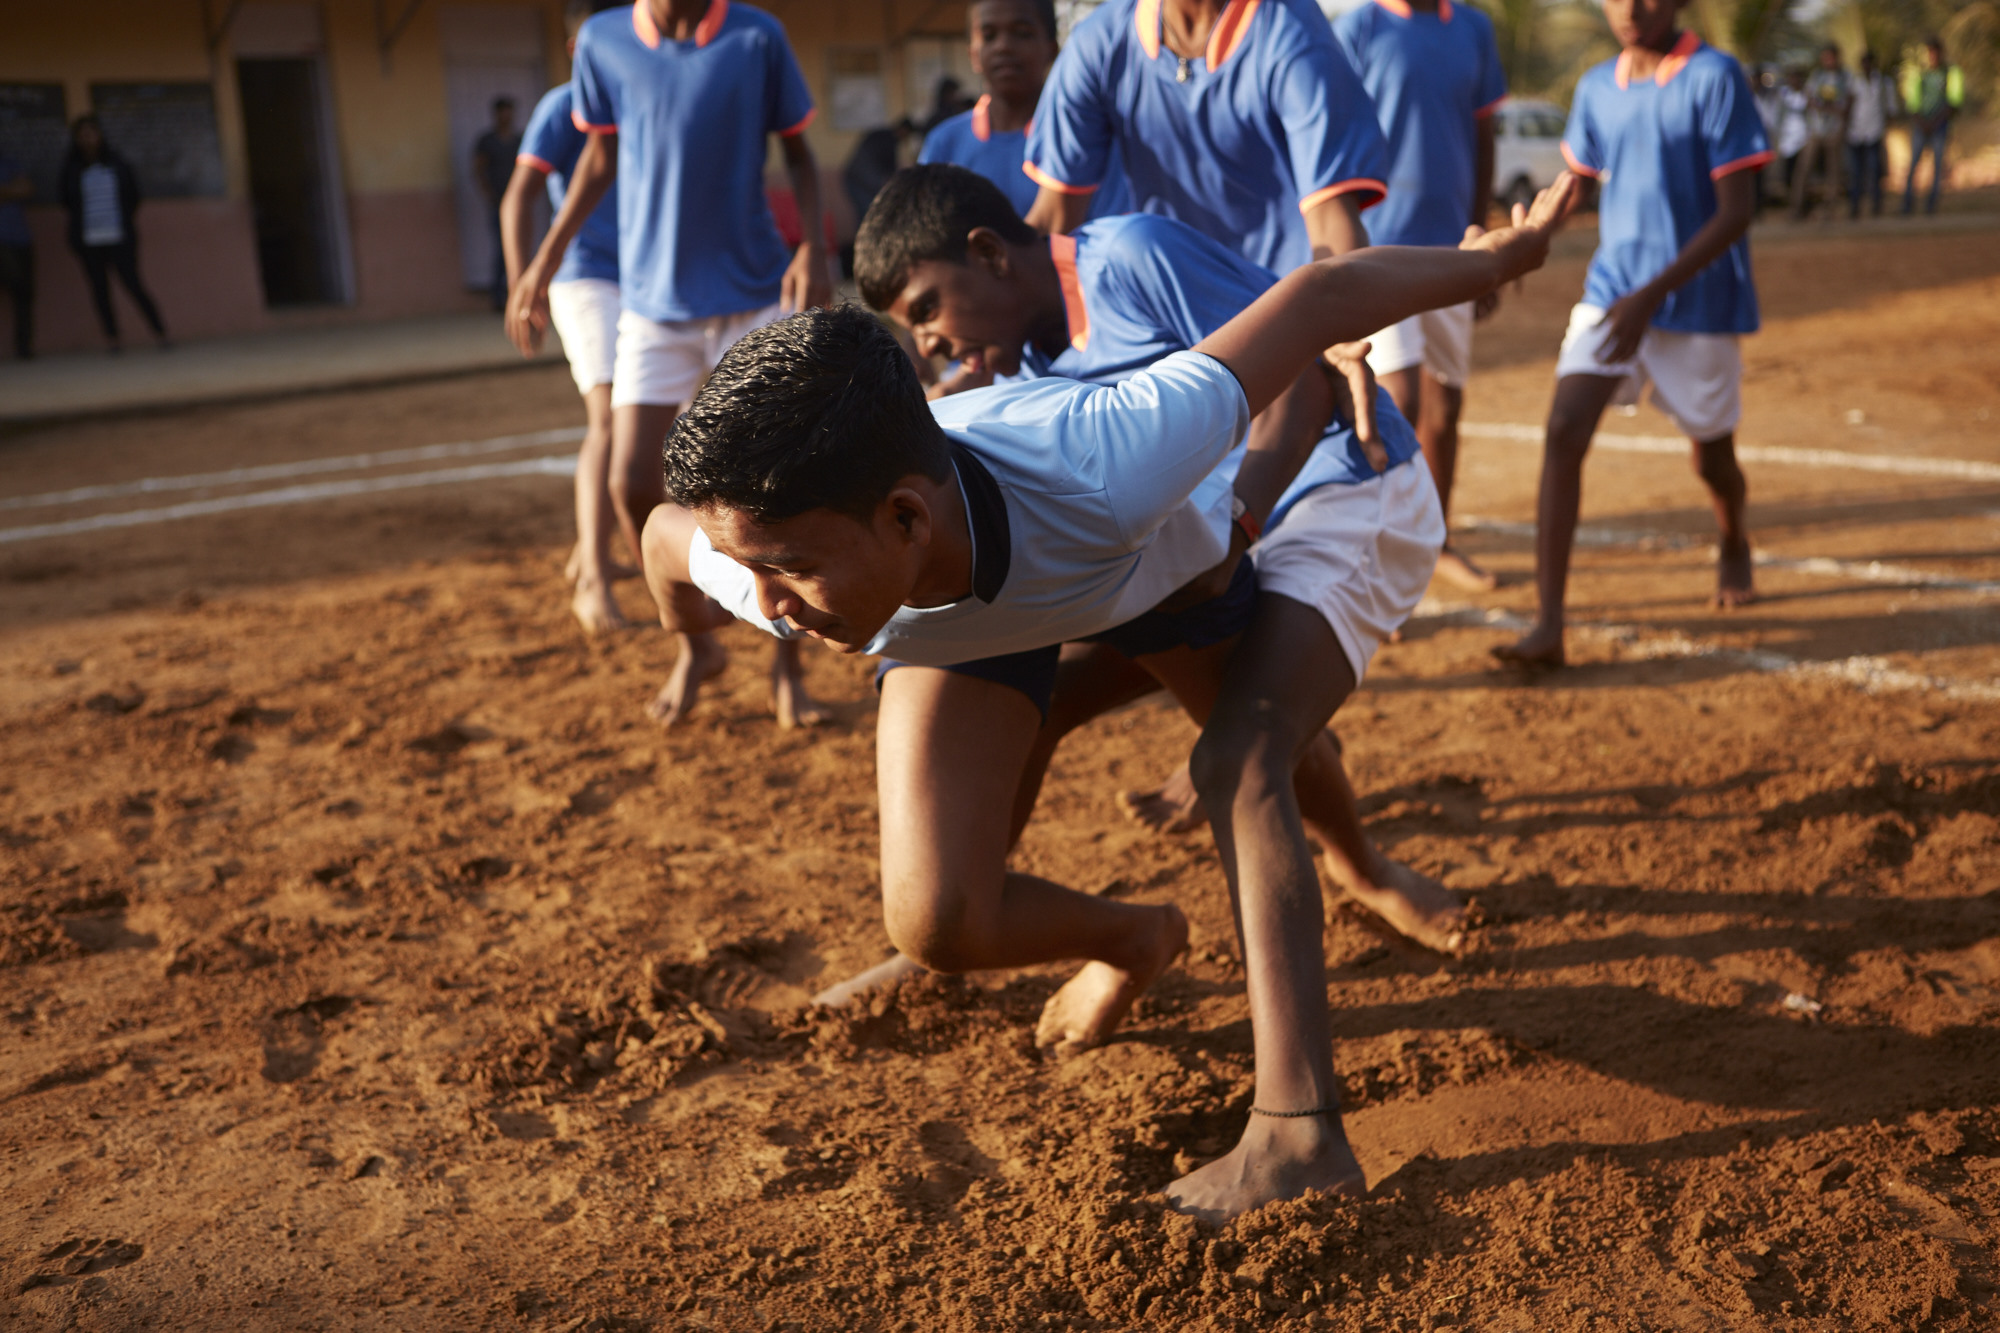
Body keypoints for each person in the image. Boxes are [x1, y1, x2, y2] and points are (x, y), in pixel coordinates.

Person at [638, 179, 1578, 1219]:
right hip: (975, 604)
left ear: (902, 518)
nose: (763, 603)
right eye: (747, 573)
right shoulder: (766, 564)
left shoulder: (1107, 456)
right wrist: (692, 643)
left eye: (785, 572)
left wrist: (1503, 261)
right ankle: (1135, 936)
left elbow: (1313, 302)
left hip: (1168, 577)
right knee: (939, 921)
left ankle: (1297, 1131)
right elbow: (662, 543)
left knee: (1241, 756)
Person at [852, 160, 1468, 954]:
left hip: (1323, 484)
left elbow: (1305, 378)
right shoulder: (1021, 362)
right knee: (1050, 691)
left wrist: (1237, 526)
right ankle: (968, 905)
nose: (930, 341)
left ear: (991, 254)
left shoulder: (1130, 259)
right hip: (1199, 542)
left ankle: (1364, 868)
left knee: (1245, 729)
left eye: (927, 308)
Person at [507, 0, 834, 729]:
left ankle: (787, 665)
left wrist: (814, 245)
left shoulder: (756, 36)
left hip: (752, 294)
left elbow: (801, 151)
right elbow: (600, 155)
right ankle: (696, 642)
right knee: (630, 481)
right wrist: (549, 253)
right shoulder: (604, 39)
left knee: (777, 486)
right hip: (653, 303)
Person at [1494, 0, 1770, 669]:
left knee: (1713, 459)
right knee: (1563, 431)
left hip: (1696, 301)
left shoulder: (1713, 77)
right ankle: (1549, 626)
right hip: (1614, 291)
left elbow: (1739, 211)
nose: (1629, 8)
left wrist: (1655, 295)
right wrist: (1526, 239)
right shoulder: (1595, 88)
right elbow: (1577, 184)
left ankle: (1733, 539)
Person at [1334, 0, 1508, 592]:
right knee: (1397, 400)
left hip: (1453, 246)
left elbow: (1482, 134)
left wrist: (1478, 234)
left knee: (1445, 407)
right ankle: (1375, 554)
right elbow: (1331, 132)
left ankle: (1438, 541)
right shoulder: (1360, 28)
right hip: (1380, 245)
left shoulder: (1472, 27)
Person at [1021, 0, 1388, 274]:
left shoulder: (1292, 34)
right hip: (1160, 302)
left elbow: (1331, 223)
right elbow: (1055, 216)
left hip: (1283, 302)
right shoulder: (1097, 42)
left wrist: (1332, 339)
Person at [916, 0, 1129, 396]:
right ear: (972, 53)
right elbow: (935, 263)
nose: (1004, 47)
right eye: (989, 35)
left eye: (1022, 33)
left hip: (1090, 345)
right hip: (992, 363)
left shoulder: (1086, 134)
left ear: (1051, 48)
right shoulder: (945, 143)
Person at [503, 1, 627, 636]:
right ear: (579, 45)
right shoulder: (561, 105)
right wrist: (525, 280)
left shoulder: (642, 99)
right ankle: (594, 580)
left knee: (653, 423)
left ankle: (588, 545)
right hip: (584, 276)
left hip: (648, 281)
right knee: (607, 421)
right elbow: (518, 195)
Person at [58, 115, 168, 353]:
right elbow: (66, 201)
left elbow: (133, 197)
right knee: (100, 291)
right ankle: (113, 338)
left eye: (92, 132)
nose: (88, 139)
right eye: (82, 134)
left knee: (133, 285)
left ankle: (161, 332)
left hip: (119, 237)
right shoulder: (72, 169)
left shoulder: (117, 165)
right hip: (89, 240)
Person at [1901, 37, 1963, 216]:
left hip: (1940, 126)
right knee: (1913, 164)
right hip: (1921, 125)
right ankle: (1907, 203)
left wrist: (1936, 122)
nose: (1932, 56)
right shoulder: (1920, 74)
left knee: (1937, 165)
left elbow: (1954, 101)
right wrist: (1922, 122)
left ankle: (1931, 205)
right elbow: (1912, 102)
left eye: (1935, 52)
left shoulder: (1951, 72)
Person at [472, 97, 522, 311]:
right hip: (498, 204)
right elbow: (478, 169)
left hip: (519, 204)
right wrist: (489, 194)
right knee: (502, 250)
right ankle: (499, 297)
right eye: (502, 112)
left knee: (521, 247)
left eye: (509, 111)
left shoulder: (519, 140)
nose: (506, 116)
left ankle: (520, 294)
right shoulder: (487, 141)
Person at [1791, 44, 1847, 219]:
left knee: (1833, 171)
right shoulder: (1817, 76)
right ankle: (1797, 208)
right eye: (1825, 57)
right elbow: (1809, 98)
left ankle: (1830, 210)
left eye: (1831, 57)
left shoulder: (1846, 77)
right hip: (1816, 129)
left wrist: (1834, 111)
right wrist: (1824, 107)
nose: (1828, 60)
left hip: (1835, 130)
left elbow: (1847, 104)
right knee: (1804, 168)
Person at [1846, 51, 1895, 220]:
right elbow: (1849, 105)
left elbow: (1890, 108)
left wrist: (1886, 128)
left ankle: (1876, 204)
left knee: (1874, 170)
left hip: (1874, 132)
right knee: (1856, 172)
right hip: (1856, 132)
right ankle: (1854, 206)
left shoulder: (1883, 83)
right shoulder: (1855, 82)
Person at [0, 151, 32, 360]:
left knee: (24, 292)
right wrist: (11, 190)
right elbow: (17, 189)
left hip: (19, 237)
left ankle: (24, 347)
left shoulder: (8, 161)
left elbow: (27, 189)